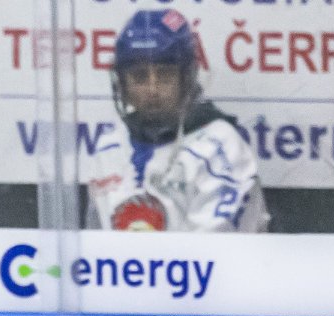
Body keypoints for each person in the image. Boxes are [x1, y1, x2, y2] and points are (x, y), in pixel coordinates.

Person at [81, 9, 267, 233]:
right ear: (122, 83)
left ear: (186, 79)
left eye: (164, 75)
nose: (152, 89)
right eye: (140, 76)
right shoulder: (108, 147)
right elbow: (94, 241)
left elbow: (219, 249)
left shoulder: (220, 147)